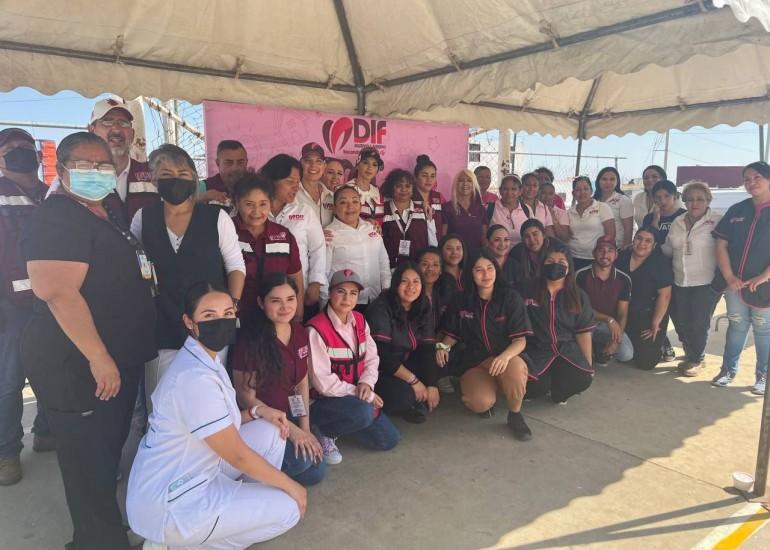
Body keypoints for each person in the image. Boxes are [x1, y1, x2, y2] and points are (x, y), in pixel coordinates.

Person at [20, 132, 157, 549]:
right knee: (88, 464)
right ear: (61, 170)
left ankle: (100, 535)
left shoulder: (101, 213)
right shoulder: (58, 215)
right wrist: (99, 357)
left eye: (103, 165)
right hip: (78, 365)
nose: (96, 172)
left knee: (102, 457)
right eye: (84, 164)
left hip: (110, 360)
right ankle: (98, 542)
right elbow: (57, 291)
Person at [127, 283, 304, 549]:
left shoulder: (206, 359)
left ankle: (229, 516)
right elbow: (237, 455)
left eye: (227, 314)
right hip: (172, 502)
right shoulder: (193, 378)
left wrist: (257, 411)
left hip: (195, 469)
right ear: (190, 322)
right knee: (290, 507)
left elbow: (219, 423)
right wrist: (291, 485)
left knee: (271, 430)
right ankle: (179, 544)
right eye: (209, 316)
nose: (221, 322)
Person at [131, 144, 245, 401]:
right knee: (161, 397)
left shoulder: (217, 217)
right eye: (166, 174)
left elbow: (236, 267)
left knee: (208, 396)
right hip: (162, 322)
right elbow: (136, 267)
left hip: (210, 323)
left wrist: (231, 307)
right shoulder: (143, 218)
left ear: (194, 179)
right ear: (154, 179)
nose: (175, 180)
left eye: (183, 174)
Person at [232, 273, 325, 486]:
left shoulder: (299, 332)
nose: (285, 307)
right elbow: (246, 398)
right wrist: (294, 433)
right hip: (264, 423)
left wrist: (305, 429)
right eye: (276, 301)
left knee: (316, 470)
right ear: (261, 303)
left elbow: (301, 382)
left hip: (290, 415)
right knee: (304, 462)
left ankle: (270, 468)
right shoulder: (250, 340)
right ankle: (252, 474)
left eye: (290, 299)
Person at [0, 128, 53, 487]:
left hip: (53, 299)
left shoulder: (50, 193)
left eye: (25, 146)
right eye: (11, 148)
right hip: (11, 305)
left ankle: (46, 432)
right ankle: (6, 452)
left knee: (53, 370)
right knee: (9, 380)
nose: (20, 151)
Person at [435, 251, 533, 440]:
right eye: (479, 270)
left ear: (496, 270)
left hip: (505, 358)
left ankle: (515, 414)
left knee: (515, 370)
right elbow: (452, 334)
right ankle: (487, 391)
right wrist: (442, 347)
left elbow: (520, 340)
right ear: (470, 273)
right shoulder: (461, 300)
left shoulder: (510, 298)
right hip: (475, 361)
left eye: (490, 268)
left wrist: (504, 357)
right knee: (480, 402)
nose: (486, 274)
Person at [307, 270, 400, 464]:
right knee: (363, 413)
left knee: (389, 439)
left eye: (353, 293)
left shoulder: (359, 320)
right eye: (341, 291)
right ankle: (323, 430)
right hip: (323, 401)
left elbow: (372, 358)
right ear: (330, 293)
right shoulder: (316, 329)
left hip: (355, 398)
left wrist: (367, 383)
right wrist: (364, 395)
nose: (347, 298)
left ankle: (346, 424)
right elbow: (323, 383)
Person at [711, 161, 770, 393]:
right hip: (734, 284)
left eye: (757, 177)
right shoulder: (737, 210)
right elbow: (721, 244)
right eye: (747, 179)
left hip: (764, 286)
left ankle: (763, 376)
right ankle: (727, 370)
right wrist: (729, 276)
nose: (751, 183)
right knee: (736, 325)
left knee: (763, 330)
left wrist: (764, 276)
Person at [521, 243, 596, 403]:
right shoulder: (527, 290)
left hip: (567, 349)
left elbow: (583, 332)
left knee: (583, 379)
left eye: (561, 262)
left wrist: (588, 364)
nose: (555, 265)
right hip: (536, 350)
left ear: (569, 268)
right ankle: (544, 385)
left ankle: (557, 393)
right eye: (550, 261)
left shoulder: (578, 295)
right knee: (533, 387)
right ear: (542, 264)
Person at [366, 262, 439, 423]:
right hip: (380, 370)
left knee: (437, 364)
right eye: (405, 281)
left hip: (405, 363)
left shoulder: (422, 304)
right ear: (395, 284)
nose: (411, 287)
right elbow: (382, 355)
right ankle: (401, 403)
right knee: (403, 397)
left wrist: (432, 384)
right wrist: (414, 381)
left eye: (416, 281)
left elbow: (427, 347)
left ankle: (416, 397)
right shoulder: (381, 307)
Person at [662, 181, 721, 377]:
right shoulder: (677, 222)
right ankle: (691, 354)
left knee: (699, 323)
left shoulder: (717, 221)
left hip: (706, 282)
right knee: (682, 322)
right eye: (690, 199)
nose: (694, 203)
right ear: (684, 201)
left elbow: (727, 250)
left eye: (700, 199)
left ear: (708, 201)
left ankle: (697, 359)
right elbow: (669, 248)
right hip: (680, 280)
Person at [231, 172, 304, 323]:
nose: (256, 212)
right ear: (237, 203)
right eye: (249, 204)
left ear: (270, 203)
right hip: (237, 318)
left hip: (277, 319)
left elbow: (295, 277)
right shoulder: (226, 232)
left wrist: (298, 314)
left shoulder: (284, 235)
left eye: (263, 204)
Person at [261, 154, 326, 320]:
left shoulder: (304, 211)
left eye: (298, 182)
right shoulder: (257, 211)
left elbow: (318, 249)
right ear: (272, 181)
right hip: (263, 294)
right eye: (290, 181)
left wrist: (315, 283)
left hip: (299, 292)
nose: (296, 187)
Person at [83, 98, 157, 222]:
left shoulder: (152, 174)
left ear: (132, 134)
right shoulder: (75, 176)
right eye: (107, 122)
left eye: (123, 123)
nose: (117, 129)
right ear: (91, 131)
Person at [323, 186, 391, 310]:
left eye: (355, 201)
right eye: (343, 202)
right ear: (334, 208)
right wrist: (323, 307)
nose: (350, 206)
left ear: (360, 205)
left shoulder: (371, 228)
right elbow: (323, 274)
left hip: (376, 299)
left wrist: (387, 290)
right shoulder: (329, 234)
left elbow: (383, 262)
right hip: (345, 304)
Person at [616, 227, 673, 371]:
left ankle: (663, 341)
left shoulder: (660, 263)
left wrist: (655, 323)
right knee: (622, 355)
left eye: (648, 241)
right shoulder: (621, 257)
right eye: (639, 238)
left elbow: (665, 295)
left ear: (654, 246)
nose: (642, 243)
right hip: (624, 313)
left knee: (646, 363)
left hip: (648, 316)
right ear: (633, 239)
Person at [576, 236, 634, 366]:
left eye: (610, 250)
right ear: (594, 253)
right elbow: (580, 308)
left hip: (608, 326)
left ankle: (600, 346)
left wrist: (616, 340)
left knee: (626, 354)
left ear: (616, 254)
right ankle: (593, 348)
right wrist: (609, 319)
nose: (605, 254)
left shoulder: (624, 279)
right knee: (583, 359)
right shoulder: (581, 275)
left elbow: (623, 313)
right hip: (586, 324)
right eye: (601, 250)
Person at [381, 169, 429, 267]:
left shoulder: (424, 210)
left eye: (407, 186)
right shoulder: (382, 210)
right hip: (389, 268)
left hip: (417, 268)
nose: (403, 190)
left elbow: (431, 240)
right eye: (399, 186)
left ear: (413, 188)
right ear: (391, 188)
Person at [488, 174, 553, 247]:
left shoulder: (526, 209)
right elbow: (484, 236)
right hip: (496, 252)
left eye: (513, 189)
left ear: (520, 191)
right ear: (500, 190)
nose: (509, 193)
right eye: (505, 189)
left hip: (521, 253)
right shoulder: (490, 208)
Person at [567, 176, 615, 271]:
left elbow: (611, 234)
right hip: (573, 257)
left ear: (591, 191)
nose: (582, 192)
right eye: (578, 190)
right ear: (573, 193)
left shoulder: (602, 207)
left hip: (596, 258)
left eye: (586, 189)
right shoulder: (569, 212)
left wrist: (603, 255)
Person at [442, 169, 488, 258]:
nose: (465, 183)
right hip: (454, 257)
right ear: (456, 184)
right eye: (461, 180)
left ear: (474, 184)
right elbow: (443, 237)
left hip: (475, 256)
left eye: (469, 181)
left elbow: (484, 237)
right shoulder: (447, 208)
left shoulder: (480, 209)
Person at [200, 139, 248, 211]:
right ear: (218, 163)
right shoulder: (204, 187)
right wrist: (202, 197)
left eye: (240, 162)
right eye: (229, 162)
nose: (235, 168)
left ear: (246, 163)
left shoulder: (256, 186)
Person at [594, 167, 633, 248]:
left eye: (612, 179)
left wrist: (625, 249)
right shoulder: (593, 201)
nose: (608, 182)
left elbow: (628, 228)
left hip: (615, 248)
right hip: (595, 246)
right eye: (604, 179)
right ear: (598, 181)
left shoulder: (623, 200)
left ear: (617, 182)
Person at [296, 142, 334, 226]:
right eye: (308, 160)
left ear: (324, 166)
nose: (313, 165)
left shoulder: (332, 197)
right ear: (300, 164)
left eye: (318, 161)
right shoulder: (291, 193)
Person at [508, 219, 552, 287]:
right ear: (522, 240)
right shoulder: (515, 254)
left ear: (544, 235)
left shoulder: (557, 250)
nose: (532, 240)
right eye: (527, 236)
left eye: (535, 234)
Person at [413, 154, 446, 245]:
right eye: (424, 175)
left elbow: (445, 223)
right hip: (415, 247)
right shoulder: (408, 197)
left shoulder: (439, 197)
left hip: (436, 248)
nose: (429, 180)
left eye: (432, 176)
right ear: (416, 177)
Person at [642, 179, 687, 244]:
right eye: (658, 197)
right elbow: (647, 241)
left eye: (667, 196)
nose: (663, 201)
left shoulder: (685, 215)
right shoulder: (649, 218)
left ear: (675, 196)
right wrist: (655, 221)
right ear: (654, 199)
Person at [347, 146, 384, 224]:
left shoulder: (378, 191)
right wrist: (364, 224)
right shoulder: (346, 190)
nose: (370, 167)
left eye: (374, 164)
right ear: (357, 165)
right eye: (365, 163)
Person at [417, 246, 447, 329]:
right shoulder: (410, 294)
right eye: (425, 264)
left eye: (435, 265)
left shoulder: (444, 294)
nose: (430, 269)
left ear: (441, 270)